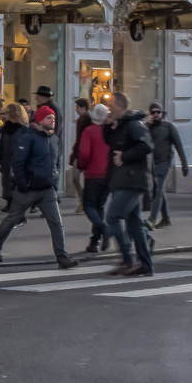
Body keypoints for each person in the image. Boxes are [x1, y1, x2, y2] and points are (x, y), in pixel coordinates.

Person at [0, 105, 78, 268]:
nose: (53, 121)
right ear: (40, 120)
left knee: (56, 222)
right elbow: (18, 162)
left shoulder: (54, 140)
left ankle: (62, 256)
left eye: (53, 118)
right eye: (49, 118)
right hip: (28, 188)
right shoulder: (28, 137)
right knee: (12, 218)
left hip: (47, 189)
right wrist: (23, 184)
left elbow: (56, 164)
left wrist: (54, 186)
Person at [102, 92, 154, 277]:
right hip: (123, 180)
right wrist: (107, 126)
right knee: (134, 224)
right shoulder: (121, 125)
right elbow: (110, 141)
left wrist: (124, 157)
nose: (109, 108)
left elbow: (145, 147)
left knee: (113, 218)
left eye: (112, 105)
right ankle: (145, 265)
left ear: (121, 106)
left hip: (132, 181)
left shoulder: (133, 125)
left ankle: (127, 259)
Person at [145, 103, 190, 229]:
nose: (155, 114)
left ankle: (152, 219)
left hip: (164, 162)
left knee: (157, 190)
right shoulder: (148, 127)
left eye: (158, 112)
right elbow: (141, 138)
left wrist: (184, 165)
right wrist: (147, 125)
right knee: (159, 190)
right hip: (152, 163)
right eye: (153, 112)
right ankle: (166, 218)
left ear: (162, 114)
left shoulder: (169, 127)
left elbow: (179, 145)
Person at [75, 103, 111, 255]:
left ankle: (102, 229)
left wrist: (82, 166)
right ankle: (94, 241)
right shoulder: (110, 132)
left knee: (89, 206)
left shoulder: (89, 131)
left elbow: (84, 153)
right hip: (108, 174)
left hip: (93, 174)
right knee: (100, 207)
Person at [0, 103, 28, 211]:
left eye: (7, 112)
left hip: (19, 162)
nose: (4, 115)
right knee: (6, 183)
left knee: (17, 183)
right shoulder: (3, 129)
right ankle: (9, 203)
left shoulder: (24, 130)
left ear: (14, 113)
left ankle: (17, 205)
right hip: (6, 161)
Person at [68, 97, 91, 167]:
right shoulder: (82, 119)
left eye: (77, 107)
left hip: (83, 151)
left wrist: (74, 154)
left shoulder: (85, 120)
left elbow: (80, 138)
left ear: (83, 108)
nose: (76, 110)